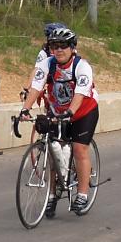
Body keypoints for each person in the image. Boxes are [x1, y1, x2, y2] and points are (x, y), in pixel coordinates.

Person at [19, 26, 98, 217]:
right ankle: (52, 195)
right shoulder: (47, 64)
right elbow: (36, 87)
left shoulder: (82, 66)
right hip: (57, 111)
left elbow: (80, 94)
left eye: (63, 46)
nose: (59, 50)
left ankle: (82, 194)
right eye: (54, 46)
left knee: (79, 149)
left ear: (72, 48)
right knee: (52, 152)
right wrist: (24, 109)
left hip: (83, 111)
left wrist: (70, 112)